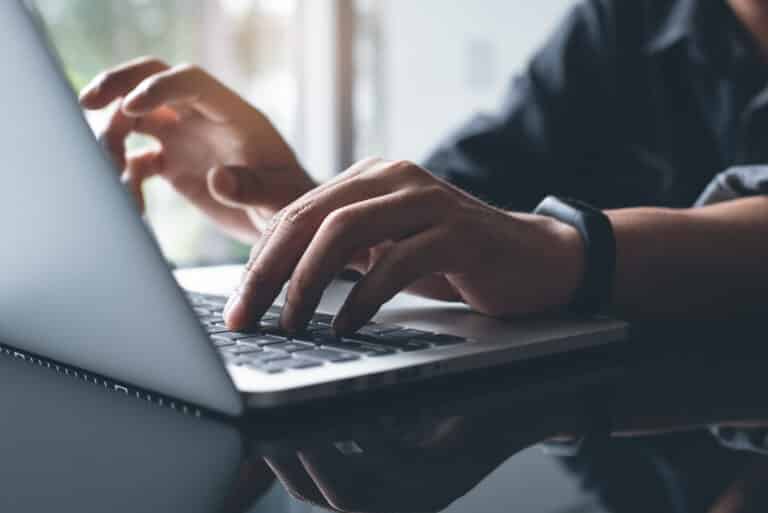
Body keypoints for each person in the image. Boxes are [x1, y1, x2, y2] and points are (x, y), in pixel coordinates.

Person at [80, 1, 768, 511]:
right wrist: (295, 200)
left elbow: (508, 242)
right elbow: (461, 214)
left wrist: (562, 250)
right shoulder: (625, 21)